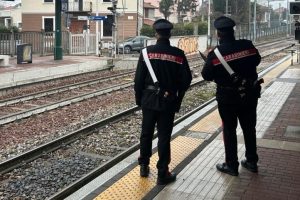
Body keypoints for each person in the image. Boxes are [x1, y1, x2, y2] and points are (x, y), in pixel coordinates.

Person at [201, 16, 262, 176]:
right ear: (233, 31)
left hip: (227, 98)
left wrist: (210, 60)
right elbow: (257, 60)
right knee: (249, 128)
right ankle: (252, 161)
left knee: (229, 130)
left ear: (218, 34)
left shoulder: (215, 54)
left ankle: (231, 165)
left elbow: (206, 75)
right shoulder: (247, 45)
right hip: (249, 95)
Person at [134, 19, 192, 185]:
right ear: (170, 34)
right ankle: (162, 173)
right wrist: (176, 95)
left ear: (156, 33)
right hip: (168, 101)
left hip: (149, 100)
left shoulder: (146, 53)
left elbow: (138, 80)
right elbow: (186, 80)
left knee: (146, 133)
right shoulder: (179, 55)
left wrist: (140, 99)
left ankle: (144, 166)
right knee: (164, 136)